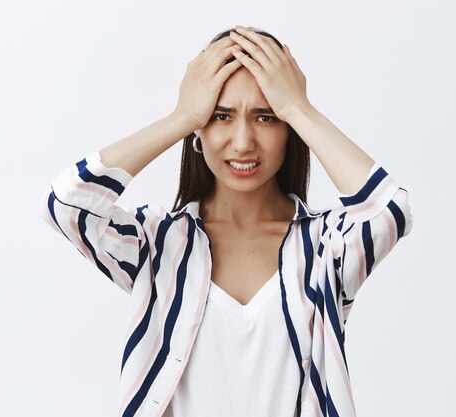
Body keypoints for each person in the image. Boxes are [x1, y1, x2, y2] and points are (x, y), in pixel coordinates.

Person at [39, 25, 413, 417]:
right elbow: (67, 203)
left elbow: (390, 211)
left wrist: (299, 108)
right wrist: (181, 116)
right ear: (197, 132)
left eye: (266, 117)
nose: (242, 142)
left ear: (290, 131)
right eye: (221, 116)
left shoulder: (326, 247)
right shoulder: (158, 244)